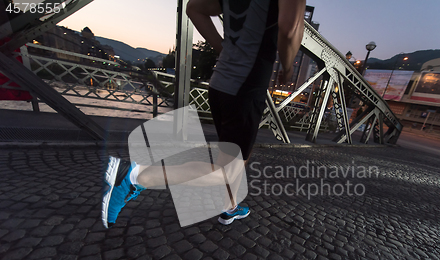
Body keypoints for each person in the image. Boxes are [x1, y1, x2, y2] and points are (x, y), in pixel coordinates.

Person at [102, 0, 306, 228]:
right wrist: (288, 69)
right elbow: (289, 29)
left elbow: (194, 8)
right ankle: (136, 177)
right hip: (246, 87)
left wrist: (224, 48)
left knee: (235, 159)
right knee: (224, 170)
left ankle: (229, 207)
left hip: (221, 84)